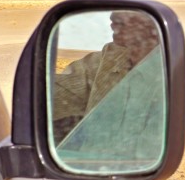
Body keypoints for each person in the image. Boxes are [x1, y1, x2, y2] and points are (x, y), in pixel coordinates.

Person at [52, 11, 160, 143]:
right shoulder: (108, 58)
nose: (113, 15)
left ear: (154, 25)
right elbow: (59, 91)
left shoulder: (167, 78)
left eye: (130, 8)